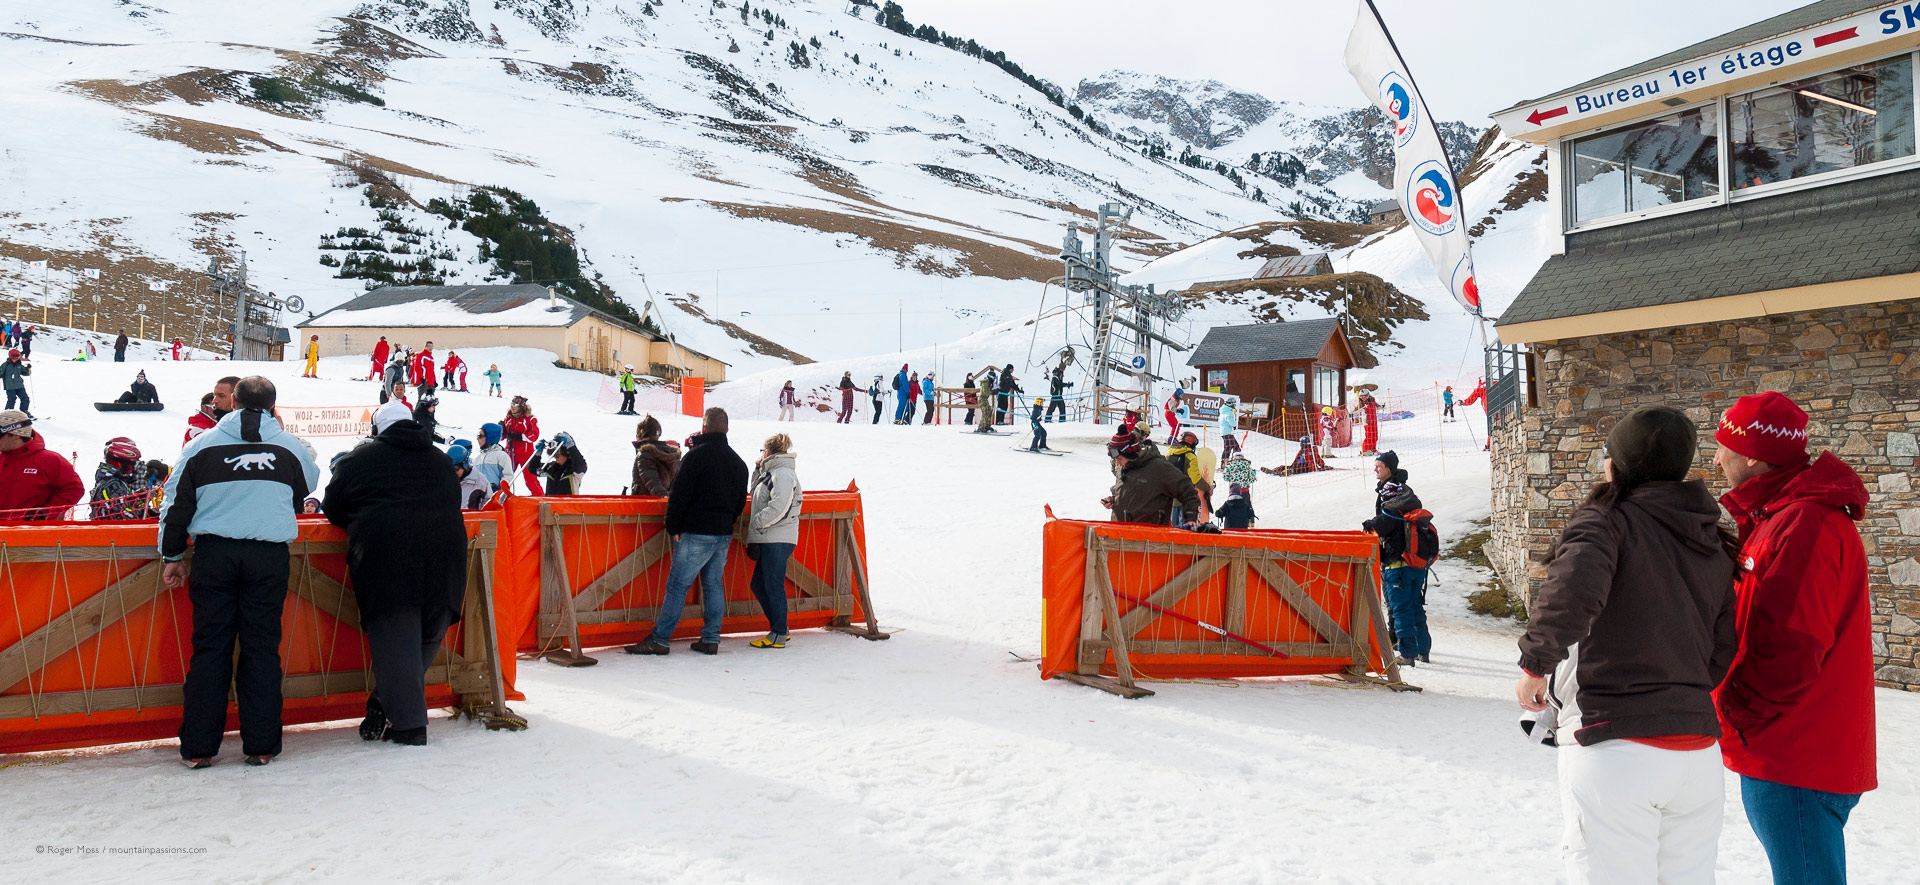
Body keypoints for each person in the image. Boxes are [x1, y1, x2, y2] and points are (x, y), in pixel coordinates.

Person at [1515, 406, 1738, 885]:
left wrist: (1535, 665)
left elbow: (1571, 592)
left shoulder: (1607, 522)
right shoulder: (1712, 538)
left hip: (1615, 744)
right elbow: (1722, 648)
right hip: (1696, 755)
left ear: (1619, 464)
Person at [1709, 392, 1877, 883]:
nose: (1717, 458)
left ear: (1755, 454)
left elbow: (1791, 650)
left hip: (1794, 757)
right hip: (1793, 750)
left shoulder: (1803, 523)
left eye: (1724, 446)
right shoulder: (1780, 518)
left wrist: (1734, 717)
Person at [163, 377, 320, 767]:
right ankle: (261, 745)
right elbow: (307, 486)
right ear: (273, 405)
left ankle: (199, 748)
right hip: (268, 555)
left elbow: (175, 501)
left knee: (210, 648)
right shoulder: (288, 446)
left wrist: (171, 556)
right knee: (262, 648)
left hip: (215, 554)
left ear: (232, 400)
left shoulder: (201, 445)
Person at [322, 405, 468, 747]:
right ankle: (389, 699)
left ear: (378, 428)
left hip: (387, 558)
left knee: (396, 643)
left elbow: (333, 509)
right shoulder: (440, 459)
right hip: (446, 557)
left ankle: (409, 727)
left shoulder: (359, 460)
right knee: (427, 635)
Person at [624, 408, 748, 656]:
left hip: (695, 531)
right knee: (713, 586)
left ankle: (660, 640)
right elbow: (739, 501)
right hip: (722, 534)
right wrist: (727, 522)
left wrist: (674, 526)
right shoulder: (738, 463)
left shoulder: (695, 458)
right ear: (727, 429)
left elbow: (679, 497)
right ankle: (711, 638)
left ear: (703, 427)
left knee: (677, 586)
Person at [1362, 451, 1430, 666]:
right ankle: (1422, 650)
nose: (1375, 469)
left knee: (1400, 608)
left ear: (1389, 469)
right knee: (1415, 606)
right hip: (1415, 561)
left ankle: (1407, 654)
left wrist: (1371, 524)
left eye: (1379, 466)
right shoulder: (1405, 490)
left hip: (1396, 561)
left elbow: (1388, 522)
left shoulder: (1390, 493)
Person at [746, 433, 802, 649]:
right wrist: (758, 469)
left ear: (768, 452)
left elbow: (780, 506)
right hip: (770, 536)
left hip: (777, 537)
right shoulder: (772, 473)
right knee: (760, 584)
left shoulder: (783, 473)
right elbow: (754, 493)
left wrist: (758, 522)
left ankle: (779, 632)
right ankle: (780, 628)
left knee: (772, 585)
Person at [1102, 428, 1200, 526]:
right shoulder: (1123, 467)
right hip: (1119, 532)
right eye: (1115, 459)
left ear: (1131, 455)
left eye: (1119, 458)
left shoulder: (1158, 467)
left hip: (1149, 536)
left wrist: (1190, 517)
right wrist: (1114, 500)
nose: (1117, 463)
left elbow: (1188, 491)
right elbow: (1131, 493)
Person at [0, 411, 84, 520]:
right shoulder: (2, 458)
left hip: (31, 532)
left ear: (16, 435)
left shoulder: (48, 460)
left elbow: (74, 488)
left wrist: (45, 513)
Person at [88, 437, 157, 520]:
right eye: (130, 466)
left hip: (116, 529)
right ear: (120, 464)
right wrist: (148, 516)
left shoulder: (120, 482)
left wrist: (142, 496)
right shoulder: (111, 485)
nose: (132, 470)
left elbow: (128, 503)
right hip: (111, 530)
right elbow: (121, 514)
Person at [630, 415, 680, 496]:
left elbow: (652, 483)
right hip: (668, 504)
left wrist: (665, 500)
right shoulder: (670, 454)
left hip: (645, 504)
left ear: (640, 435)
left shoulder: (644, 455)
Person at [182, 376, 239, 446]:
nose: (214, 401)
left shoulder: (250, 428)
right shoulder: (198, 429)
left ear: (235, 399)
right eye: (215, 395)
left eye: (221, 396)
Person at [503, 396, 542, 494]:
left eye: (515, 405)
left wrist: (520, 436)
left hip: (526, 454)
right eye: (511, 404)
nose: (512, 407)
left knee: (531, 480)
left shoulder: (530, 418)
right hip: (511, 452)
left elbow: (534, 435)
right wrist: (500, 430)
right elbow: (503, 436)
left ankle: (540, 499)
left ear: (521, 407)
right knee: (504, 478)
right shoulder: (508, 418)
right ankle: (499, 499)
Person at [536, 431, 588, 495]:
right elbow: (533, 469)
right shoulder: (552, 468)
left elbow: (580, 464)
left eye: (557, 456)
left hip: (567, 504)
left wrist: (571, 446)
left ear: (566, 453)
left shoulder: (574, 471)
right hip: (550, 504)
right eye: (554, 456)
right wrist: (537, 454)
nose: (556, 459)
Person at [448, 445, 490, 510]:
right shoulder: (444, 479)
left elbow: (490, 505)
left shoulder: (479, 480)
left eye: (456, 468)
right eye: (449, 467)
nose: (453, 472)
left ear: (464, 465)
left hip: (470, 519)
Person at [474, 423, 513, 491]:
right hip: (479, 497)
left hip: (496, 498)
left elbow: (508, 476)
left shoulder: (501, 456)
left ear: (490, 437)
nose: (477, 438)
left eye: (480, 436)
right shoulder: (477, 459)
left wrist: (499, 488)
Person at [1, 349, 29, 413]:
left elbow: (26, 373)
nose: (15, 359)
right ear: (10, 357)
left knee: (25, 398)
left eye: (17, 357)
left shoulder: (19, 365)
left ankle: (24, 411)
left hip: (19, 385)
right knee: (12, 400)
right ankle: (7, 413)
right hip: (10, 386)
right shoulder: (6, 365)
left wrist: (28, 369)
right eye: (13, 357)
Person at [1358, 390, 1380, 454]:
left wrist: (1382, 407)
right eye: (1361, 396)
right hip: (1367, 421)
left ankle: (1373, 449)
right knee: (1369, 436)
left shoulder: (1372, 401)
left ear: (1367, 395)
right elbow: (1357, 411)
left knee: (1375, 436)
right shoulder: (1361, 403)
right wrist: (1351, 415)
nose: (1362, 398)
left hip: (1373, 420)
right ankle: (1365, 450)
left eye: (1364, 396)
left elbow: (1377, 407)